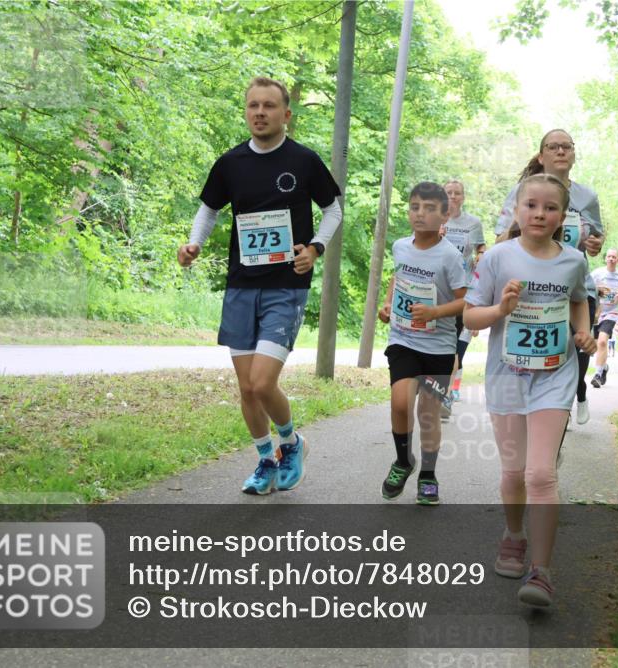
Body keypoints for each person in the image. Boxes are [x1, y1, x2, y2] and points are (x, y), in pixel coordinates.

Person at [178, 77, 341, 495]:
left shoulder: (304, 161)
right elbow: (208, 210)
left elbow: (333, 210)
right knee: (245, 388)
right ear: (246, 111)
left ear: (286, 115)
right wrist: (194, 243)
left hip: (286, 285)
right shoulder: (230, 163)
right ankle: (265, 460)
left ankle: (292, 443)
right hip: (241, 286)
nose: (260, 112)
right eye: (253, 105)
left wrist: (316, 249)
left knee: (261, 384)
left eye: (269, 106)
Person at [464, 173, 596, 608]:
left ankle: (542, 572)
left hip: (555, 375)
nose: (540, 214)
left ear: (563, 217)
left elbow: (579, 299)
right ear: (517, 211)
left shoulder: (574, 260)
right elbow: (469, 318)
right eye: (532, 206)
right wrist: (501, 308)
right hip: (507, 375)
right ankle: (514, 534)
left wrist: (584, 332)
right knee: (513, 473)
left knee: (541, 473)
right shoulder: (499, 257)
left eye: (551, 208)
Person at [495, 129, 603, 425]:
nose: (560, 151)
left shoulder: (587, 196)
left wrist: (595, 244)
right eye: (553, 147)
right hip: (531, 285)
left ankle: (561, 409)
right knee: (535, 354)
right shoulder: (521, 193)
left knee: (578, 349)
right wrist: (520, 225)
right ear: (541, 156)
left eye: (567, 146)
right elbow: (499, 241)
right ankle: (532, 413)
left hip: (575, 286)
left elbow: (595, 238)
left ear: (574, 154)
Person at [376, 182, 467, 505]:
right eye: (415, 207)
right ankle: (403, 461)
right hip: (403, 339)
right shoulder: (401, 246)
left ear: (445, 215)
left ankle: (428, 474)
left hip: (439, 346)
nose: (420, 214)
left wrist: (435, 312)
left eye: (429, 209)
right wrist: (387, 305)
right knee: (400, 403)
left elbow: (464, 302)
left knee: (428, 415)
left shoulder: (450, 257)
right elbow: (397, 278)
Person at [440, 179, 487, 420]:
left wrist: (481, 256)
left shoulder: (473, 223)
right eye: (449, 192)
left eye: (458, 193)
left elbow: (481, 248)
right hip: (437, 289)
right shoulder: (435, 218)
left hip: (462, 290)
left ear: (463, 197)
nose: (453, 196)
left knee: (453, 346)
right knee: (437, 344)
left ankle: (445, 396)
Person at [589, 248, 618, 388]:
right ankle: (604, 367)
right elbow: (588, 287)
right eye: (609, 256)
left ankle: (598, 375)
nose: (611, 259)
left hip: (611, 312)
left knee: (603, 342)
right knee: (594, 346)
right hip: (596, 312)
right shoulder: (597, 273)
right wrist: (598, 290)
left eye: (614, 257)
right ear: (605, 258)